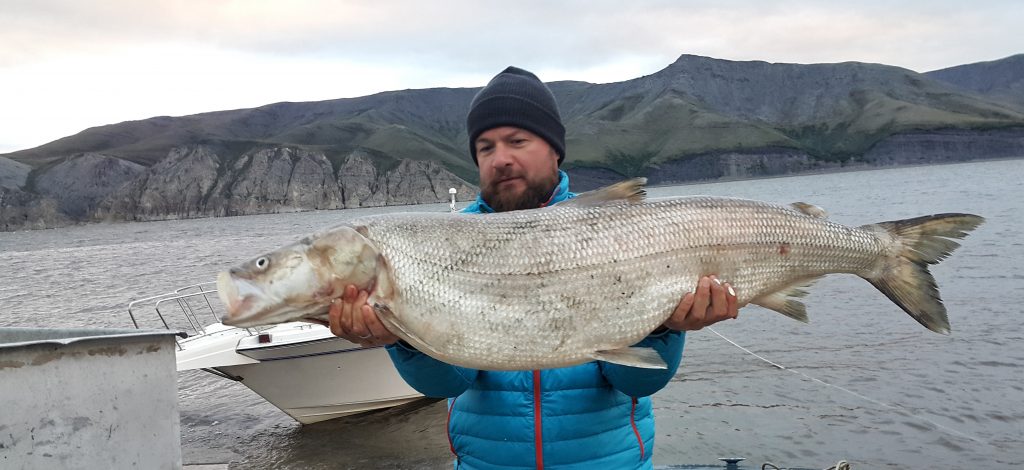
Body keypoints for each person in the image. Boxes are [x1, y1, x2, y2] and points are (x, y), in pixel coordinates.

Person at [327, 66, 740, 469]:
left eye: (517, 140)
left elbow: (639, 382)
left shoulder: (617, 229)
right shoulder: (447, 243)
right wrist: (399, 337)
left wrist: (665, 328)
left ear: (554, 148)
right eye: (485, 148)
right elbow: (447, 385)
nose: (500, 159)